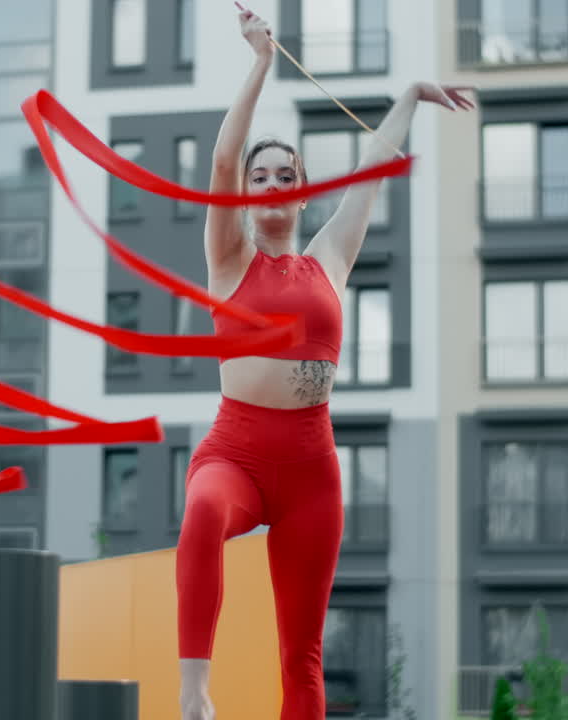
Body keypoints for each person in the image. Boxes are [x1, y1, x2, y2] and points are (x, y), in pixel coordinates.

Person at [174, 7, 474, 720]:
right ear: (249, 194)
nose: (274, 182)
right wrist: (259, 63)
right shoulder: (228, 258)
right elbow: (222, 161)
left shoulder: (328, 261)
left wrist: (410, 97)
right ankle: (193, 692)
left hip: (312, 469)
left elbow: (371, 172)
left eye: (289, 173)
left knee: (300, 655)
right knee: (201, 515)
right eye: (263, 175)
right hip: (237, 451)